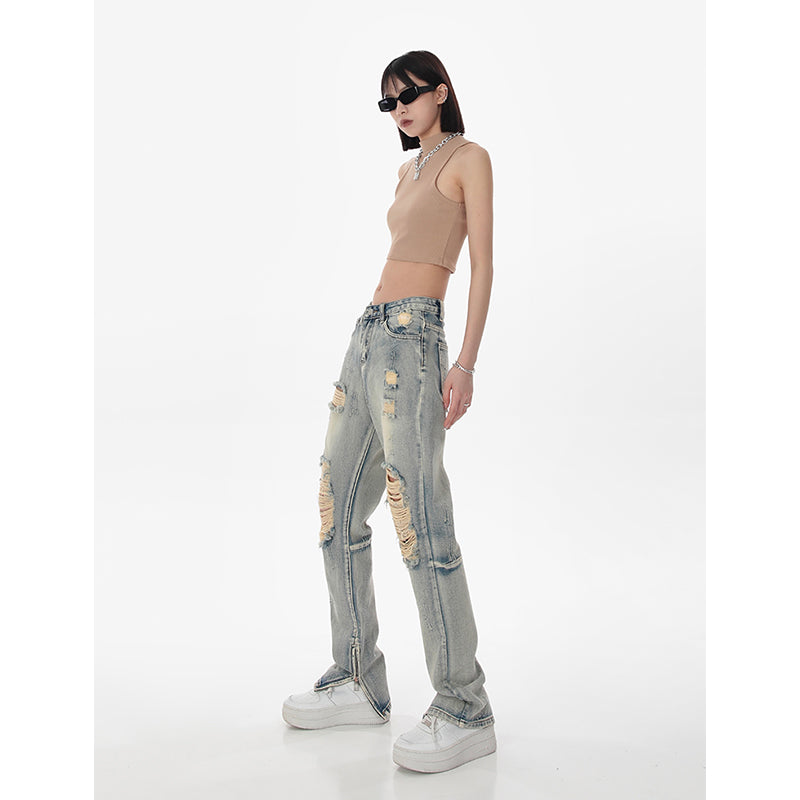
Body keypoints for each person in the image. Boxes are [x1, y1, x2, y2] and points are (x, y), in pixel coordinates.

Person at [282, 50, 496, 773]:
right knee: (336, 504)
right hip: (369, 335)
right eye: (388, 102)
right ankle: (358, 677)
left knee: (419, 516)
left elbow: (484, 265)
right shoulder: (406, 171)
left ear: (441, 93)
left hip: (415, 341)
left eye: (409, 95)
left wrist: (465, 363)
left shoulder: (469, 158)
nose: (399, 109)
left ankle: (464, 705)